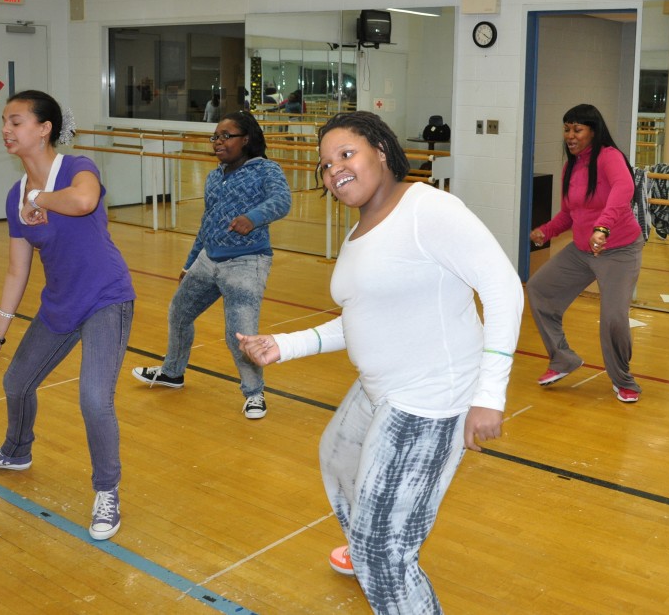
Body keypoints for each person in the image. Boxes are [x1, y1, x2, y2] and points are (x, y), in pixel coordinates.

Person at [237, 111, 522, 613]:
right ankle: (370, 541)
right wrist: (287, 345)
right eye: (326, 165)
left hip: (429, 397)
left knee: (385, 555)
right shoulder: (361, 231)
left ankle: (380, 554)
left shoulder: (428, 209)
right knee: (337, 457)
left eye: (346, 155)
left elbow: (503, 290)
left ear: (382, 152)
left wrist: (489, 396)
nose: (334, 171)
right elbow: (364, 317)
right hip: (381, 387)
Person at [0, 90, 135, 542]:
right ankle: (15, 452)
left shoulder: (79, 168)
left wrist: (40, 196)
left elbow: (82, 203)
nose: (6, 129)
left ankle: (106, 491)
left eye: (16, 121)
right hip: (60, 302)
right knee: (16, 382)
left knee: (94, 399)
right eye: (4, 121)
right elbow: (18, 268)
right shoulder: (15, 196)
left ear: (44, 129)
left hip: (106, 298)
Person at [132, 111, 291, 418]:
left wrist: (252, 218)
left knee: (240, 335)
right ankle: (173, 372)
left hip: (246, 263)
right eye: (215, 137)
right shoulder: (214, 175)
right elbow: (207, 223)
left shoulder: (265, 170)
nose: (218, 142)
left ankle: (255, 393)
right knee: (179, 313)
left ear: (246, 140)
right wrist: (190, 262)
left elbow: (281, 200)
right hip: (208, 259)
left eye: (225, 136)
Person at [527, 103, 645, 402]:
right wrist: (547, 231)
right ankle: (562, 358)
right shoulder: (572, 166)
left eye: (577, 129)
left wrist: (603, 228)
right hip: (582, 251)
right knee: (540, 289)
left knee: (614, 318)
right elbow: (569, 214)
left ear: (593, 131)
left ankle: (623, 379)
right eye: (567, 129)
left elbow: (624, 189)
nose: (570, 135)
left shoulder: (608, 157)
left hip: (619, 250)